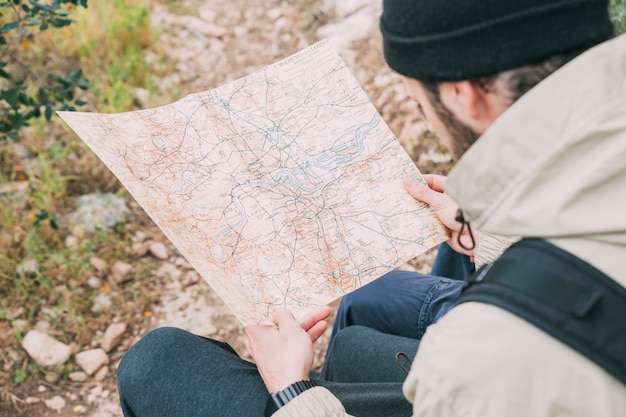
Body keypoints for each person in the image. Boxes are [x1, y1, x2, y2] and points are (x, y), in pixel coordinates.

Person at [117, 0, 626, 416]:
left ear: (463, 95)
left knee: (155, 362)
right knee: (366, 310)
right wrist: (492, 232)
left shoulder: (470, 364)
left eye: (417, 101)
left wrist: (293, 391)